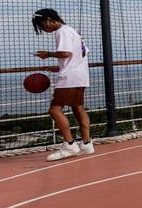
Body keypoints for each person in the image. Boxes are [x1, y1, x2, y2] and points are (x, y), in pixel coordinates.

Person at [32, 8, 95, 160]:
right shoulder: (73, 32)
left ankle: (69, 144)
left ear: (48, 20)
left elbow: (66, 53)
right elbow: (81, 54)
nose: (42, 29)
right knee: (78, 108)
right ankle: (86, 144)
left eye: (41, 25)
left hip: (69, 78)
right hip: (81, 76)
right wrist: (60, 66)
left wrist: (47, 54)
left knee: (54, 110)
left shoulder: (62, 32)